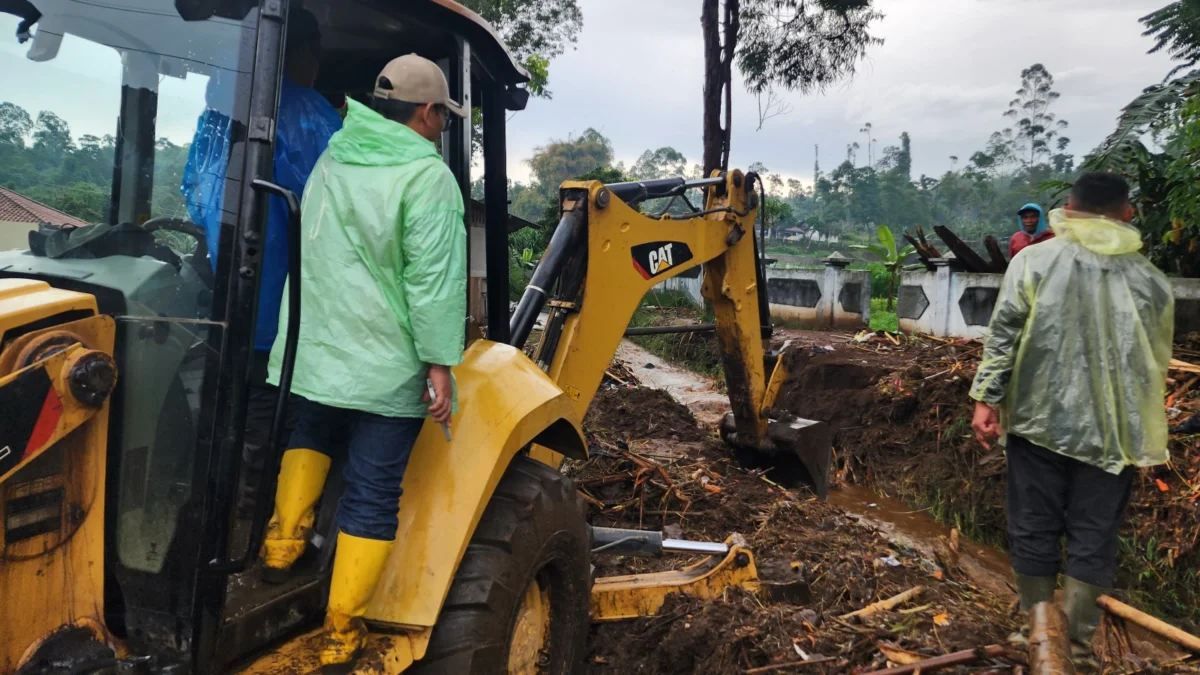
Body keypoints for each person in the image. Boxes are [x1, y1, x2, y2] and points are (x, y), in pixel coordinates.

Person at [260, 53, 467, 667]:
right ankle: (341, 631)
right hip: (384, 364)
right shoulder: (427, 178)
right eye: (444, 117)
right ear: (428, 113)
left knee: (311, 431)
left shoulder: (333, 156)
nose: (442, 128)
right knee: (373, 492)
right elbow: (432, 284)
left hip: (320, 351)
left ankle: (279, 551)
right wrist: (439, 364)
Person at [970, 173, 1174, 660]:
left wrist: (986, 398)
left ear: (1068, 206)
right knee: (1093, 533)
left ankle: (1037, 638)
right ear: (1128, 213)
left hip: (1041, 421)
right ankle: (1077, 649)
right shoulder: (1151, 281)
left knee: (1035, 525)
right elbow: (1152, 366)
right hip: (1117, 436)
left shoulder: (1033, 262)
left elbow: (1004, 335)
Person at [181, 8, 343, 515]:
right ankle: (254, 517)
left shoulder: (216, 120)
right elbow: (342, 217)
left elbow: (195, 193)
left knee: (220, 406)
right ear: (302, 55)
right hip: (286, 310)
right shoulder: (319, 120)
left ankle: (213, 501)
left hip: (220, 296)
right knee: (272, 419)